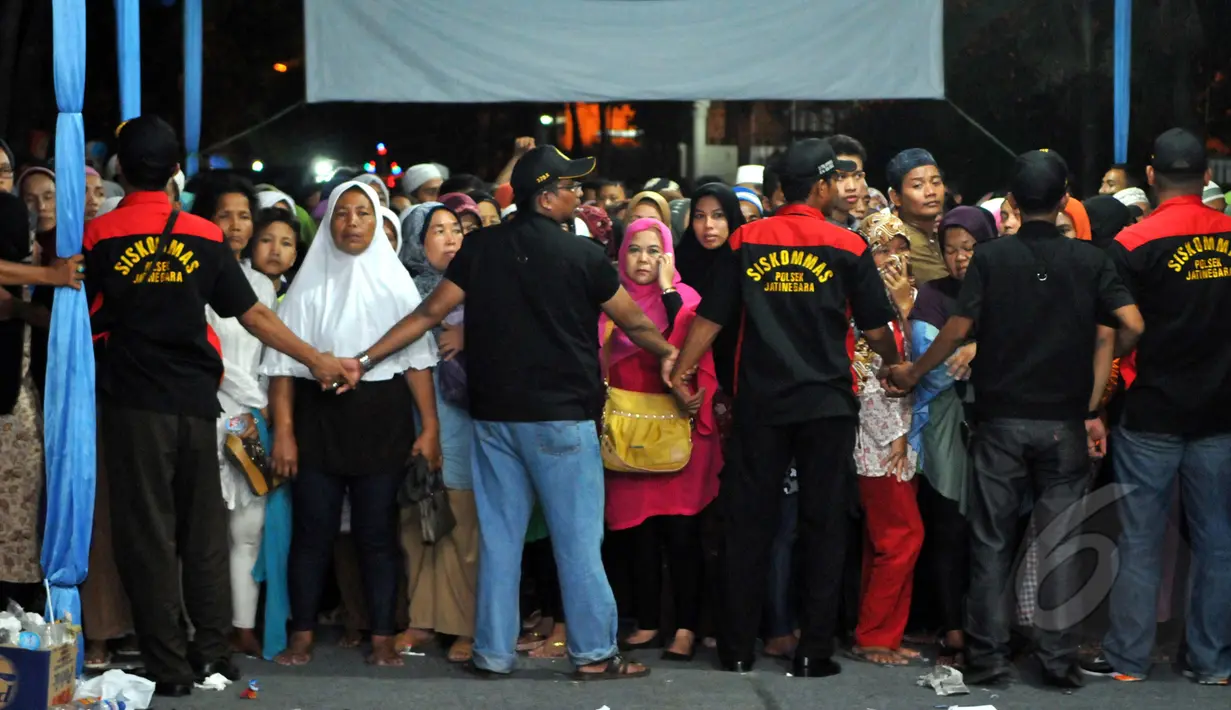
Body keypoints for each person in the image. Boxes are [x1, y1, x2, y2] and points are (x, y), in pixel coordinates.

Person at [340, 145, 676, 681]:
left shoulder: (481, 250)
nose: (579, 195)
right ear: (546, 197)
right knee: (578, 544)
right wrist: (670, 354)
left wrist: (362, 359)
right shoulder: (582, 256)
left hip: (494, 420)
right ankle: (592, 654)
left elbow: (430, 313)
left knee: (499, 540)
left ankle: (492, 654)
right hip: (562, 422)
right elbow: (634, 323)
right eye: (571, 187)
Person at [84, 115, 352, 698]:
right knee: (205, 532)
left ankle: (168, 664)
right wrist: (317, 359)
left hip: (134, 406)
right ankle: (211, 651)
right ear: (176, 170)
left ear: (122, 171)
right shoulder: (203, 236)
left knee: (148, 536)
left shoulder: (101, 235)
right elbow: (253, 315)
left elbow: (82, 319)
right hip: (196, 403)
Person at [886, 149, 1143, 689]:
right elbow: (1132, 324)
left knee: (990, 541)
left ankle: (988, 658)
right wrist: (1093, 384)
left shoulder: (993, 258)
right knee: (1059, 542)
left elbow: (956, 330)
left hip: (1000, 420)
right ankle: (1055, 660)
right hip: (1063, 421)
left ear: (1013, 202)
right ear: (1064, 196)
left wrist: (914, 373)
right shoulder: (1090, 260)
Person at [668, 138, 903, 677]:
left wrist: (683, 367)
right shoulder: (846, 244)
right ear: (820, 187)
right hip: (825, 404)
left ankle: (736, 651)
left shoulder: (747, 239)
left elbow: (714, 316)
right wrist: (895, 364)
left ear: (780, 190)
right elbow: (874, 326)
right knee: (824, 527)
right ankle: (812, 651)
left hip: (761, 402)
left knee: (748, 524)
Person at [1082, 128, 1231, 686]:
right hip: (1221, 413)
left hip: (1151, 412)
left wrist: (1095, 405)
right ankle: (1215, 662)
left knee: (1141, 538)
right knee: (1219, 538)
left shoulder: (1131, 243)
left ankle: (1128, 659)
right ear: (1207, 176)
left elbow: (1113, 334)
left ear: (1151, 176)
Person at [600, 217, 723, 662]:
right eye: (635, 249)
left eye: (655, 250)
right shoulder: (608, 301)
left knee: (682, 532)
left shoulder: (686, 298)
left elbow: (683, 342)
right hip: (626, 433)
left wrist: (669, 290)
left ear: (668, 255)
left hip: (678, 430)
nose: (644, 259)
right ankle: (648, 621)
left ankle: (686, 627)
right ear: (621, 254)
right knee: (638, 535)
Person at [886, 149, 947, 284]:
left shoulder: (933, 234)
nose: (930, 192)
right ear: (896, 197)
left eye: (936, 182)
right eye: (917, 185)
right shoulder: (904, 241)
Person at [827, 135, 867, 230]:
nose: (852, 187)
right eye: (841, 177)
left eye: (858, 176)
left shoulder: (863, 230)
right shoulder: (812, 233)